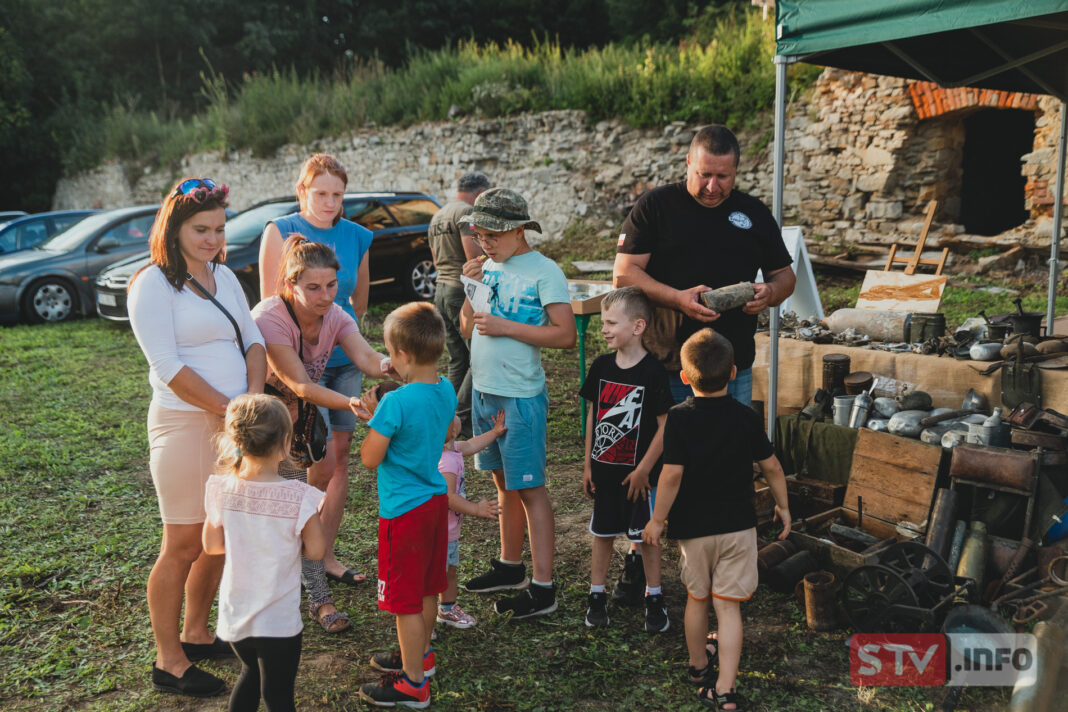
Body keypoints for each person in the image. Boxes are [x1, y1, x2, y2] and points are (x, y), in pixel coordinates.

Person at [128, 178, 267, 697]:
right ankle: (169, 661)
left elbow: (253, 339)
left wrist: (251, 402)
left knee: (220, 535)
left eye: (219, 229)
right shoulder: (152, 284)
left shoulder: (225, 275)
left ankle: (196, 631)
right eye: (201, 229)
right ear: (175, 228)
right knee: (183, 542)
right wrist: (232, 409)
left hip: (235, 423)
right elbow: (166, 366)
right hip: (185, 424)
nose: (212, 239)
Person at [641, 328, 791, 711]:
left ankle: (697, 667)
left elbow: (671, 475)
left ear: (685, 377)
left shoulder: (678, 417)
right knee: (728, 607)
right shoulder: (745, 416)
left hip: (694, 530)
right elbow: (771, 465)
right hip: (738, 527)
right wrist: (783, 505)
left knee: (697, 599)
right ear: (733, 372)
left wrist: (657, 520)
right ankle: (725, 689)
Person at [252, 235, 391, 635]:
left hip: (302, 423)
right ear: (290, 284)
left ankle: (316, 598)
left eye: (331, 285)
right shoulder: (270, 316)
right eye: (313, 287)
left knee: (302, 509)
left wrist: (395, 363)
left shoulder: (336, 314)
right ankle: (284, 597)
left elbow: (366, 357)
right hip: (265, 426)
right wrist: (349, 403)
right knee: (274, 517)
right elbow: (299, 385)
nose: (325, 296)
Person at [613, 124, 797, 406]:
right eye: (704, 174)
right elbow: (624, 275)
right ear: (689, 163)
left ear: (736, 170)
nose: (712, 186)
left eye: (723, 176)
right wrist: (678, 299)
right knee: (668, 448)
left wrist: (770, 292)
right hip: (667, 364)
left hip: (732, 368)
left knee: (728, 448)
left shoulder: (754, 212)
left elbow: (785, 276)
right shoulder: (656, 206)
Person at [458, 188, 577, 619]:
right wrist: (471, 287)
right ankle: (511, 566)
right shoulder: (487, 266)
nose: (484, 243)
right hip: (485, 391)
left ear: (518, 230)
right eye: (479, 234)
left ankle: (544, 588)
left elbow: (566, 335)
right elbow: (468, 329)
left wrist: (507, 326)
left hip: (520, 396)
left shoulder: (544, 272)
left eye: (492, 235)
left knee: (529, 487)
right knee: (502, 483)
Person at [259, 153, 374, 586]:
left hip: (342, 356)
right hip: (295, 367)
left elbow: (356, 304)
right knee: (308, 460)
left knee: (339, 459)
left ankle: (322, 555)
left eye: (338, 194)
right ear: (302, 191)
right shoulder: (282, 230)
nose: (330, 202)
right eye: (321, 192)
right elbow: (274, 299)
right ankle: (297, 555)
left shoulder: (359, 235)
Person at [356, 302, 457, 709]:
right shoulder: (446, 387)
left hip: (404, 513)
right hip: (434, 502)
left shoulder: (395, 404)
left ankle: (414, 683)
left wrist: (374, 415)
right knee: (428, 588)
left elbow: (370, 457)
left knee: (405, 602)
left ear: (404, 357)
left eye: (389, 352)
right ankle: (421, 656)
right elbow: (444, 429)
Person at [202, 394, 326, 712]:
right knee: (278, 696)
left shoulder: (221, 489)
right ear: (286, 443)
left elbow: (212, 546)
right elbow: (316, 551)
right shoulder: (300, 498)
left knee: (250, 673)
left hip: (236, 618)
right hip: (279, 621)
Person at [579, 287, 673, 632]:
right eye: (603, 322)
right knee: (602, 535)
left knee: (646, 537)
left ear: (637, 326)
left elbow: (665, 428)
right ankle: (596, 595)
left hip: (641, 479)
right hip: (604, 473)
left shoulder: (653, 372)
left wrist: (644, 469)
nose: (603, 329)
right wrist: (589, 463)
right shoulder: (602, 366)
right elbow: (593, 415)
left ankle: (654, 596)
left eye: (610, 323)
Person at [428, 171, 492, 438]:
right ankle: (462, 417)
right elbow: (473, 259)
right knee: (478, 357)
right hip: (460, 292)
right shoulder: (466, 212)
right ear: (478, 193)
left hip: (441, 290)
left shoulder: (438, 215)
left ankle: (445, 415)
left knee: (459, 359)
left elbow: (434, 259)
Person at [436, 411, 507, 629]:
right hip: (440, 533)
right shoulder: (446, 462)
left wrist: (494, 433)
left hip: (449, 531)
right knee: (439, 576)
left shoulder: (452, 449)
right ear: (448, 429)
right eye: (451, 414)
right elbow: (448, 498)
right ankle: (426, 622)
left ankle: (446, 609)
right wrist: (476, 509)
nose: (456, 415)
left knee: (449, 571)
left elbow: (472, 444)